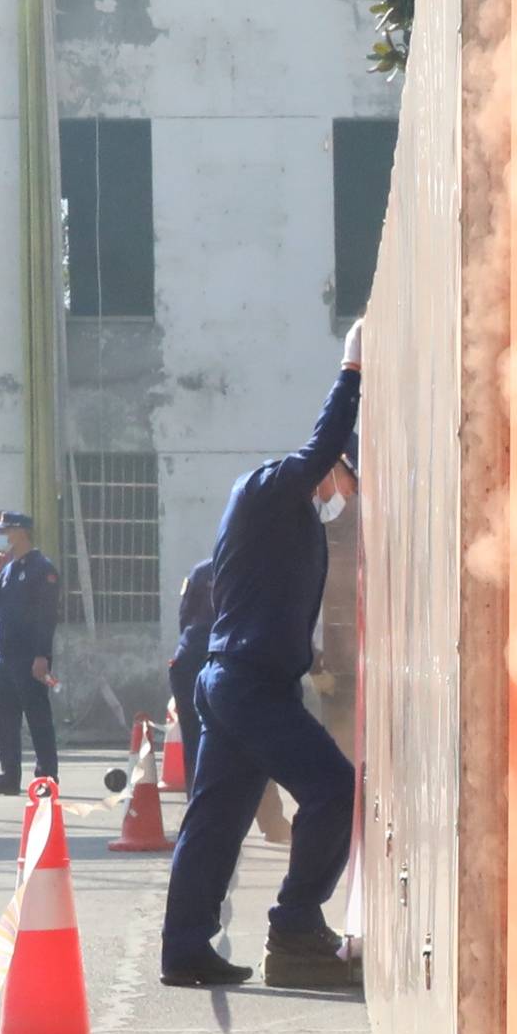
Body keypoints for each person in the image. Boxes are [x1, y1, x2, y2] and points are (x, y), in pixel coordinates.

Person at [161, 335, 366, 992]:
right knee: (335, 789)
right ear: (334, 468)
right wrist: (352, 372)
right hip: (247, 684)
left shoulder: (291, 522)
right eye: (347, 482)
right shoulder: (272, 486)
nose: (345, 499)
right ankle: (296, 925)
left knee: (215, 823)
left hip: (241, 682)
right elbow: (323, 439)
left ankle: (185, 950)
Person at [0, 513, 61, 795]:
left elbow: (46, 616)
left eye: (6, 530)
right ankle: (8, 775)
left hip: (29, 656)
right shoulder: (9, 568)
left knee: (37, 717)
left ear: (21, 532)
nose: (1, 536)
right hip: (5, 656)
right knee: (5, 718)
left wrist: (42, 656)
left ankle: (46, 778)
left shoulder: (42, 568)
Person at [165, 551, 218, 779]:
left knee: (193, 735)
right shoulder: (249, 570)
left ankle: (196, 801)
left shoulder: (201, 570)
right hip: (222, 659)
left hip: (189, 657)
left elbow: (185, 615)